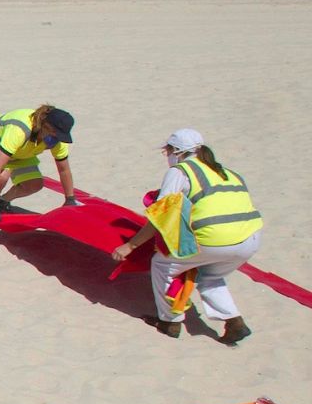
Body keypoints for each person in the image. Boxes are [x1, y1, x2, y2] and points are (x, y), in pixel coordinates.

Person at [112, 129, 263, 344]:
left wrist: (131, 245)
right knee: (210, 276)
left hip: (215, 239)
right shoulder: (227, 172)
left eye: (168, 151)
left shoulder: (181, 171)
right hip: (250, 239)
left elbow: (161, 215)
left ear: (177, 151)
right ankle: (234, 321)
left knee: (163, 266)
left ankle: (170, 321)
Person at [0, 105, 78, 231]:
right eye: (55, 134)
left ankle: (2, 201)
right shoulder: (20, 129)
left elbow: (64, 169)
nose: (56, 139)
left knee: (34, 184)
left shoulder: (57, 139)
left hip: (19, 152)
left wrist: (69, 199)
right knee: (2, 174)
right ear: (45, 125)